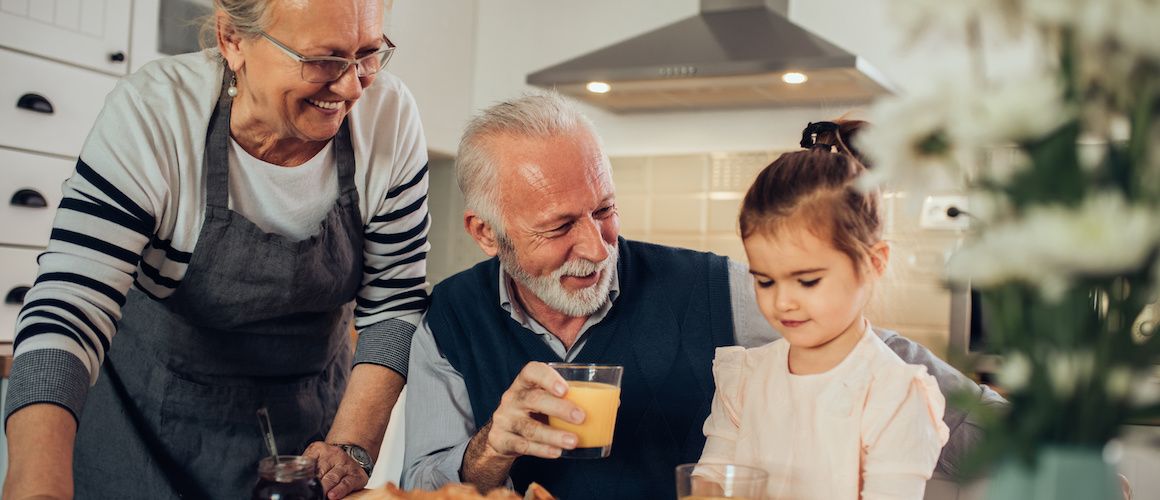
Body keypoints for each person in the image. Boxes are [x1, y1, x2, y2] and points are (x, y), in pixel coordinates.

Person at [402, 92, 1003, 498]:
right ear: (486, 233)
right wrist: (488, 450)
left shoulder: (717, 290)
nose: (595, 246)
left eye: (605, 210)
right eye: (559, 227)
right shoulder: (450, 319)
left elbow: (871, 356)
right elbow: (419, 482)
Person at [3, 0, 430, 498]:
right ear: (233, 39)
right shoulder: (156, 114)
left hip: (306, 438)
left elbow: (394, 306)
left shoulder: (389, 120)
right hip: (147, 426)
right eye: (324, 59)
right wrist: (36, 486)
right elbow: (69, 307)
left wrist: (352, 447)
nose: (353, 85)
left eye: (369, 54)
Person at [696, 120, 949, 499]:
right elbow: (709, 481)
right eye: (765, 281)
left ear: (874, 263)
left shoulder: (893, 394)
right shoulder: (745, 379)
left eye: (808, 281)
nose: (782, 302)